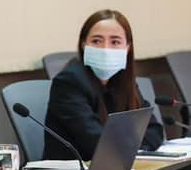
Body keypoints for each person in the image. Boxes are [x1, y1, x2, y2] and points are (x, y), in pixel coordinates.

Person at [44, 9, 164, 161]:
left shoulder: (123, 80)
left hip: (116, 167)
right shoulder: (69, 83)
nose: (105, 49)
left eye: (115, 42)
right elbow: (98, 144)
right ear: (83, 44)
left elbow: (154, 131)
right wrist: (132, 146)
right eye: (96, 41)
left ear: (127, 47)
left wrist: (134, 149)